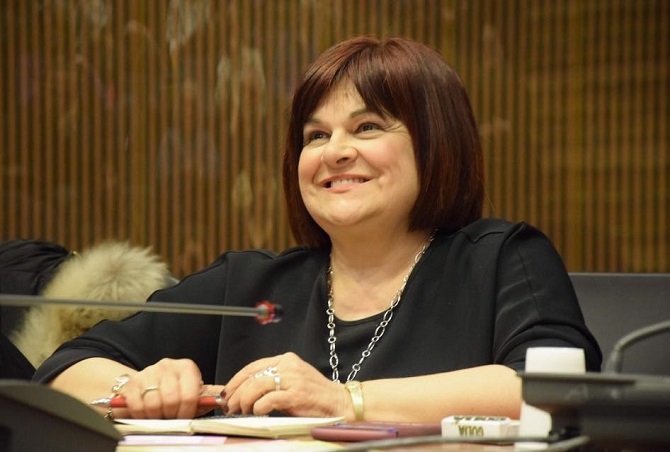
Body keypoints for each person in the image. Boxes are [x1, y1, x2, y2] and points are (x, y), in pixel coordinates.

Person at [33, 36, 601, 423]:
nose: (335, 152)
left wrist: (344, 401)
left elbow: (557, 389)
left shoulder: (501, 259)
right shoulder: (248, 287)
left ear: (436, 144)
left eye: (367, 126)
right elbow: (64, 368)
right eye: (316, 136)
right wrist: (138, 387)